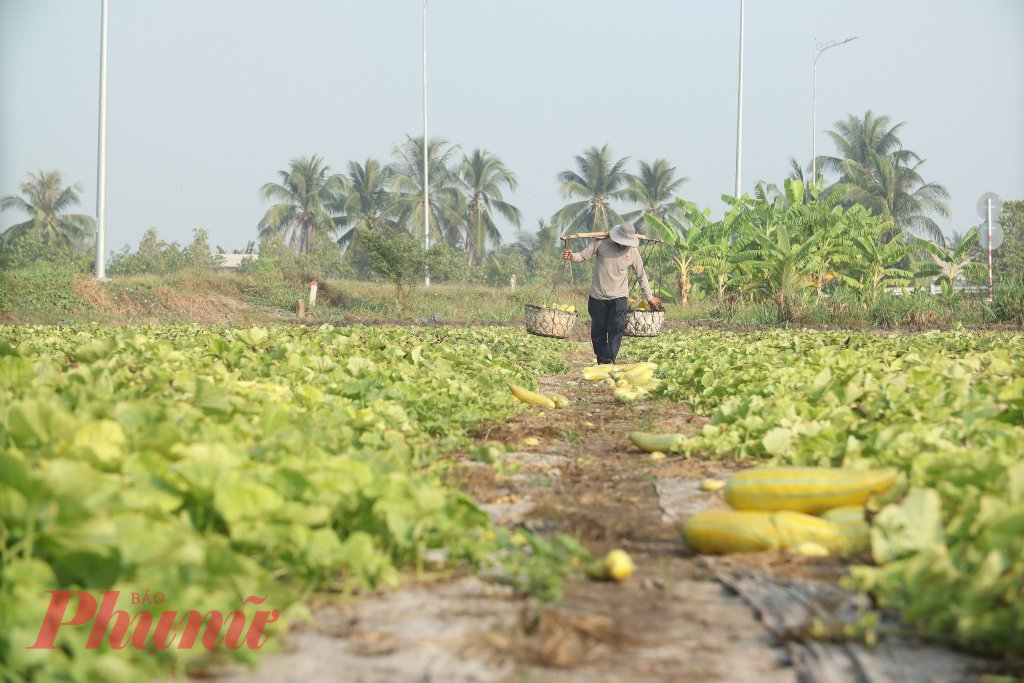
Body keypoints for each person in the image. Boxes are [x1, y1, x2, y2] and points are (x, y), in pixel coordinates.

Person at [564, 222, 661, 365]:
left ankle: (608, 359)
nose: (625, 245)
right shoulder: (600, 243)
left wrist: (650, 297)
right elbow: (582, 256)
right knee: (598, 331)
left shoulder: (633, 251)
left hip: (619, 297)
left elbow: (641, 275)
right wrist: (571, 255)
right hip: (598, 296)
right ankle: (602, 361)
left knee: (617, 328)